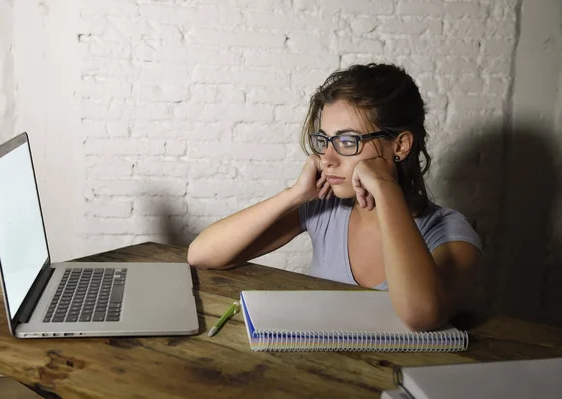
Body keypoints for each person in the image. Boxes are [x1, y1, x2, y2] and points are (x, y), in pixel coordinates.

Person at [187, 63, 482, 332]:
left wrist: (385, 187)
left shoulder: (451, 233)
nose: (327, 158)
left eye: (347, 141)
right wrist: (294, 195)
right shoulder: (325, 208)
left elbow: (421, 315)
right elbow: (202, 255)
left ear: (401, 145)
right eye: (324, 140)